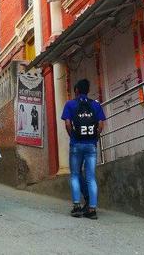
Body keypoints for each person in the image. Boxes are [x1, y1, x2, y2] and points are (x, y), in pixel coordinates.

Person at [61, 79, 106, 220]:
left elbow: (68, 124)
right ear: (87, 90)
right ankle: (92, 209)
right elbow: (101, 124)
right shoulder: (95, 105)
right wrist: (95, 137)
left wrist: (73, 136)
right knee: (91, 177)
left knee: (75, 174)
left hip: (76, 143)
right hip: (91, 145)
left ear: (76, 91)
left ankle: (76, 207)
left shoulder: (70, 104)